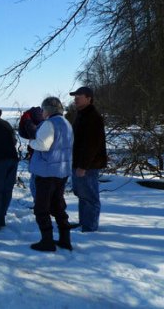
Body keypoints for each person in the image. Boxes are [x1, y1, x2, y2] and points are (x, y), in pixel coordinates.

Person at [29, 97, 74, 251]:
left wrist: (31, 141)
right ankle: (65, 239)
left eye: (43, 109)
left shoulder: (49, 124)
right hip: (62, 170)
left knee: (42, 207)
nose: (41, 112)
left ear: (48, 110)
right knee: (58, 205)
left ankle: (47, 241)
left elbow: (43, 145)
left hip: (46, 171)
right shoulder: (66, 123)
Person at [69, 86, 107, 232]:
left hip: (88, 166)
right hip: (79, 163)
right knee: (82, 195)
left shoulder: (93, 117)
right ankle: (84, 223)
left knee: (90, 197)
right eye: (75, 97)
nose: (76, 99)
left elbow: (92, 144)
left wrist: (83, 166)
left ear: (89, 98)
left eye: (79, 96)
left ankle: (90, 227)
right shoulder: (81, 115)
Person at [19, 106, 44, 202]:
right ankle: (40, 204)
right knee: (37, 183)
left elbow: (34, 136)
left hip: (39, 159)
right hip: (40, 158)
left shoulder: (39, 127)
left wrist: (27, 121)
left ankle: (39, 204)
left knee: (35, 183)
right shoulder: (46, 123)